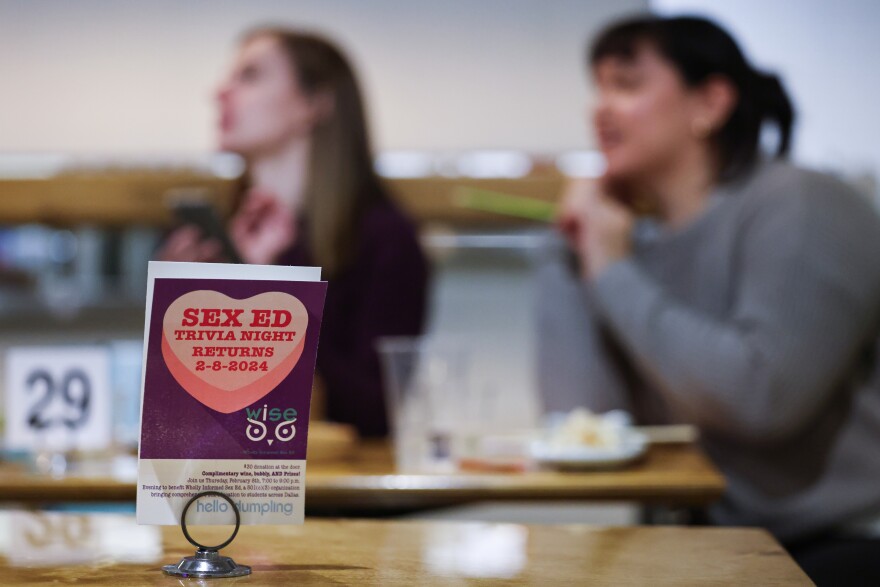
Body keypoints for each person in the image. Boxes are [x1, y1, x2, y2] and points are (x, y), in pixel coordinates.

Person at [539, 15, 880, 585]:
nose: (600, 108)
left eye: (626, 84)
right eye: (597, 89)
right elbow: (584, 419)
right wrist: (569, 256)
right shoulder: (634, 238)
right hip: (706, 543)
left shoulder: (804, 204)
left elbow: (760, 399)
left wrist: (612, 267)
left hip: (835, 545)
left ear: (710, 103)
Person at [160, 28, 429, 437]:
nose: (220, 93)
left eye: (249, 76)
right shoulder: (215, 235)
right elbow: (183, 409)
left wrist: (261, 290)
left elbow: (375, 411)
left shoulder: (384, 238)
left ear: (314, 104)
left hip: (335, 489)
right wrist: (173, 302)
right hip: (223, 478)